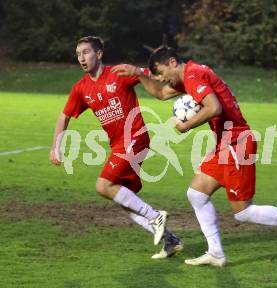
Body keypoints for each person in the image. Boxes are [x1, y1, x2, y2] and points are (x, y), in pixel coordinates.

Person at [111, 46, 277, 267]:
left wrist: (185, 126)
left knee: (243, 212)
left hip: (236, 143)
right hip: (225, 144)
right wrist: (139, 73)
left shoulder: (194, 75)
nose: (161, 78)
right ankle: (216, 253)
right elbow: (161, 93)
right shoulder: (190, 76)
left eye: (161, 72)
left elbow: (214, 108)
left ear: (172, 62)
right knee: (196, 194)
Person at [49, 36, 182, 259]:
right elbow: (63, 117)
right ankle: (171, 240)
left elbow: (155, 77)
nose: (81, 58)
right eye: (78, 54)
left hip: (135, 137)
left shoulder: (119, 73)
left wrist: (183, 84)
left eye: (86, 52)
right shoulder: (81, 88)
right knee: (124, 199)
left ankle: (156, 216)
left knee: (103, 186)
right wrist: (56, 146)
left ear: (99, 54)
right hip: (118, 145)